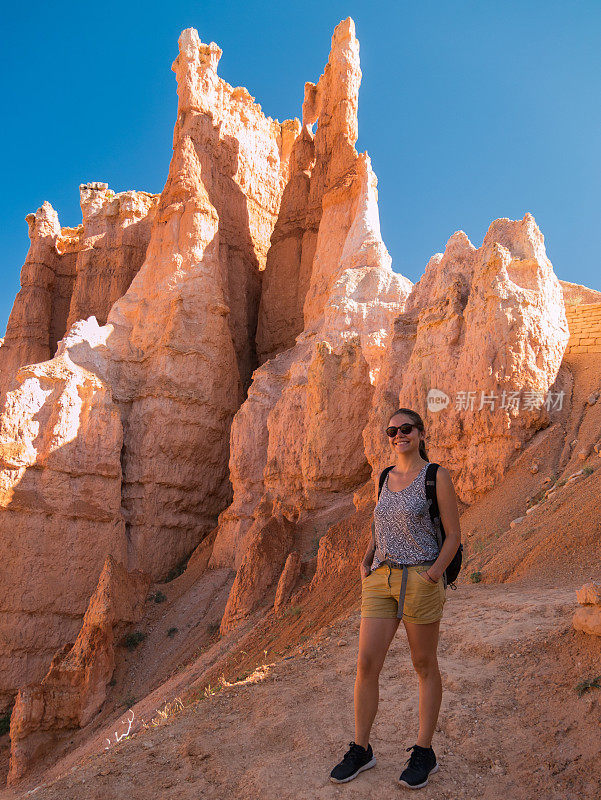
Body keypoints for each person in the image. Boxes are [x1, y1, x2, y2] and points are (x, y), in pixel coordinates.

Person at [330, 407, 462, 789]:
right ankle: (361, 748)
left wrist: (433, 574)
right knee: (366, 664)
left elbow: (453, 535)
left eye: (406, 429)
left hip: (420, 578)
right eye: (392, 430)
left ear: (420, 433)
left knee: (423, 664)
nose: (398, 435)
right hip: (381, 579)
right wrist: (365, 559)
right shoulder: (386, 477)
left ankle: (424, 752)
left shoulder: (436, 476)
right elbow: (380, 522)